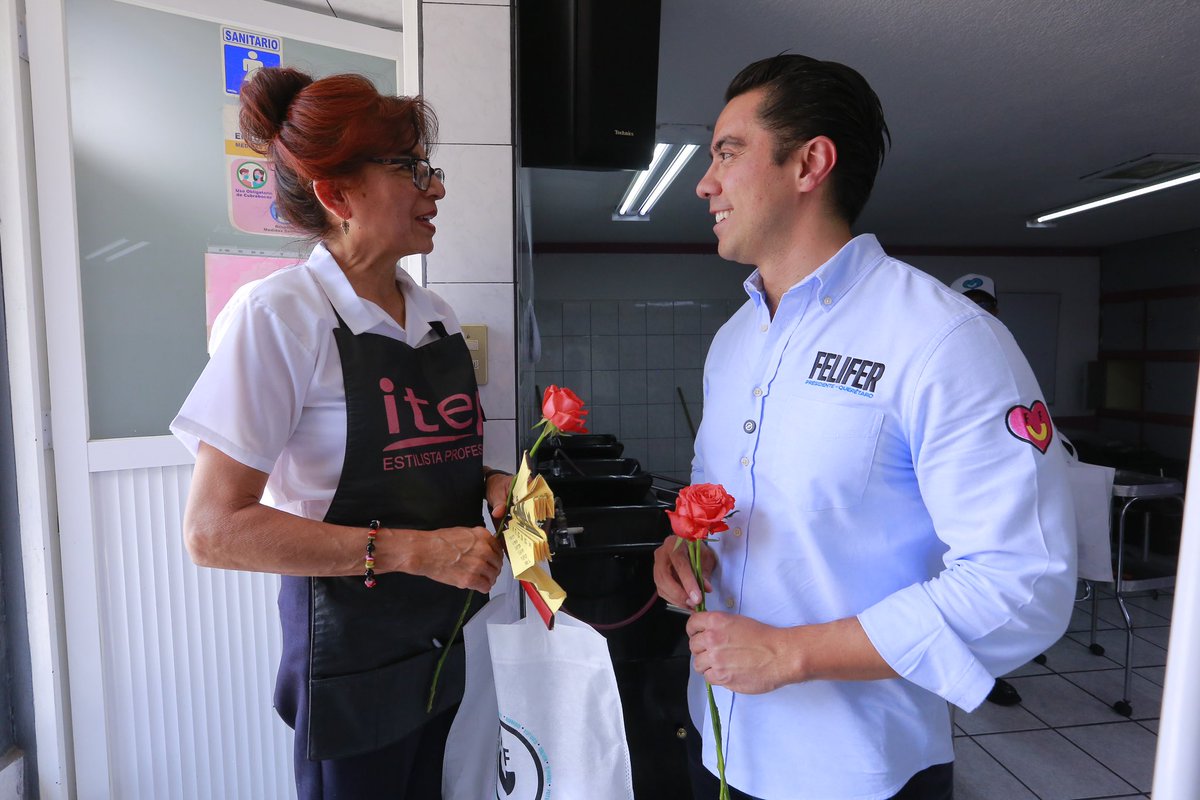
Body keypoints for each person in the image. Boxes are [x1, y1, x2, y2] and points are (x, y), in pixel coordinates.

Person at [653, 55, 1076, 800]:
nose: (704, 183)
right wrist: (687, 549)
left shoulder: (942, 338)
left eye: (726, 152)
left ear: (810, 162)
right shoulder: (733, 342)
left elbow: (1023, 584)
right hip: (719, 742)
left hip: (854, 770)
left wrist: (795, 654)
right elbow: (724, 500)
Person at [171, 67, 510, 799]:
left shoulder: (436, 316)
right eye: (410, 169)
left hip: (442, 638)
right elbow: (213, 530)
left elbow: (427, 457)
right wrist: (417, 551)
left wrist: (494, 483)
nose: (436, 188)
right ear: (336, 194)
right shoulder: (280, 316)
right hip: (350, 651)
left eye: (430, 168)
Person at [951, 272, 1024, 708]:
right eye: (968, 302)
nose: (977, 311)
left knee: (995, 579)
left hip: (992, 479)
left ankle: (992, 676)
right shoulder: (937, 345)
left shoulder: (1004, 349)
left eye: (984, 303)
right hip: (946, 485)